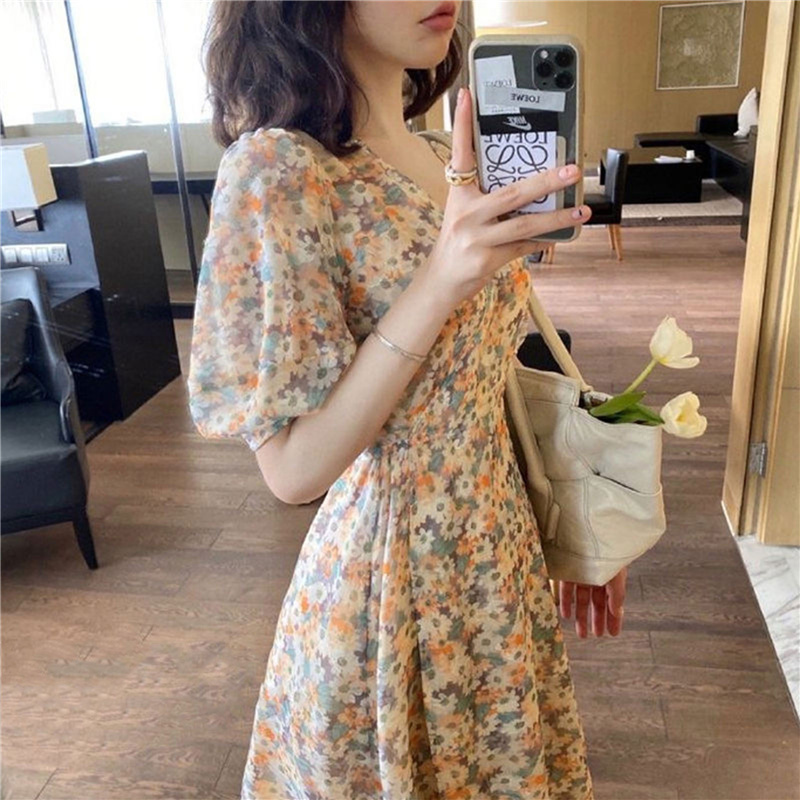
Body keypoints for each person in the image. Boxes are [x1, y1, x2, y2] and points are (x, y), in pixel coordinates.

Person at [189, 2, 626, 797]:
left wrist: (580, 512)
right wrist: (441, 279)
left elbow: (486, 370)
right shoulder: (279, 170)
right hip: (390, 579)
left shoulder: (440, 154)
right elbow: (291, 471)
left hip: (499, 547)